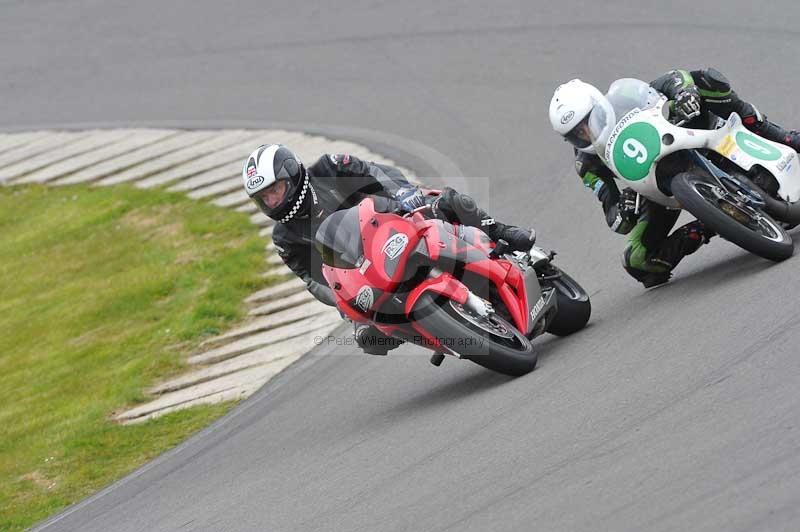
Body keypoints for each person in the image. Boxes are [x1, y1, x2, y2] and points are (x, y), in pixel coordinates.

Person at [242, 144, 535, 353]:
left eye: (275, 189)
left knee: (450, 202)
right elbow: (313, 280)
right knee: (369, 338)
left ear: (292, 175)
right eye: (264, 197)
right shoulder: (284, 237)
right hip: (368, 273)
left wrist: (402, 193)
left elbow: (375, 172)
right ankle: (440, 332)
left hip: (397, 218)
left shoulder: (329, 167)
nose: (272, 201)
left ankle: (500, 231)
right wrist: (343, 300)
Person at [549, 68, 800, 288]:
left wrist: (684, 93)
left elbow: (675, 78)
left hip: (691, 132)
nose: (585, 134)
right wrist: (624, 211)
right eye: (576, 135)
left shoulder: (623, 97)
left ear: (599, 104)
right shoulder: (587, 164)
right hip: (656, 187)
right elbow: (614, 218)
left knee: (706, 80)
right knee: (637, 260)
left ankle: (782, 136)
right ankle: (712, 222)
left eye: (587, 123)